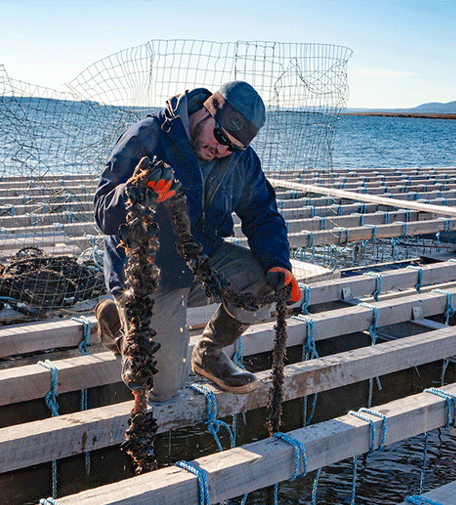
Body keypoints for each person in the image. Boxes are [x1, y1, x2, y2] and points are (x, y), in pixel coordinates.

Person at [94, 80, 301, 402]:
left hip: (200, 263)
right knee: (161, 389)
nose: (222, 150)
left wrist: (279, 263)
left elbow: (263, 214)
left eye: (233, 146)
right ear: (205, 112)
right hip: (147, 272)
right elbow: (102, 212)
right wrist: (138, 192)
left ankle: (210, 352)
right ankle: (119, 325)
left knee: (267, 284)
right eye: (220, 137)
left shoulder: (241, 161)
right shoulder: (147, 136)